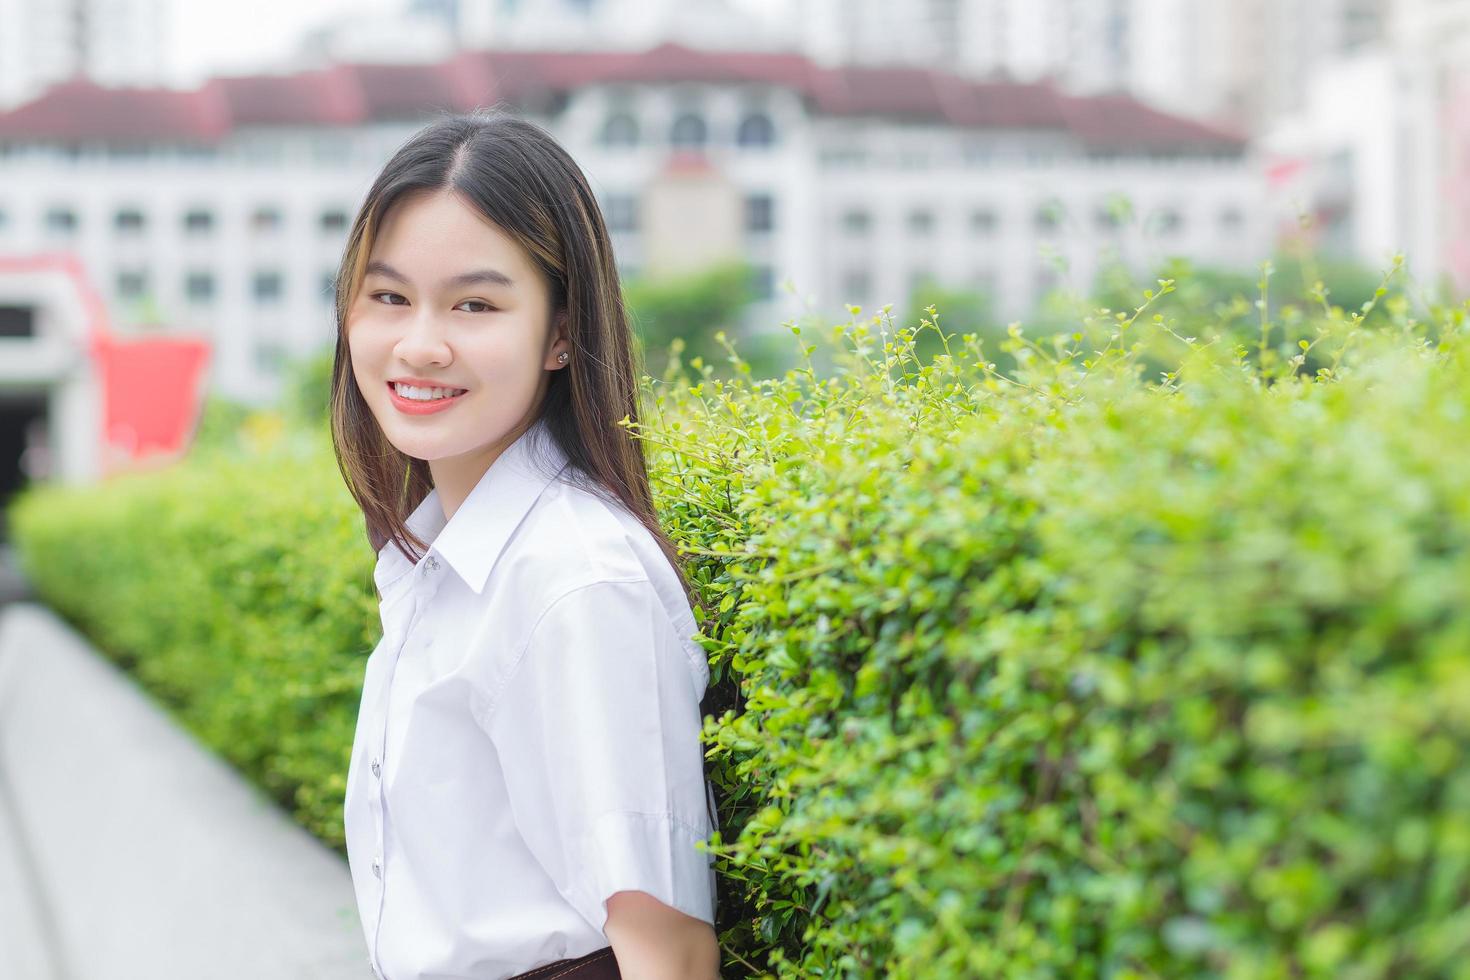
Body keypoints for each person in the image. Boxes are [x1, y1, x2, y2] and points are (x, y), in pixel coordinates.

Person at [329, 110, 721, 980]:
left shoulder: (572, 579)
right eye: (389, 297)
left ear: (557, 333)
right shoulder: (448, 561)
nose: (419, 344)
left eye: (474, 304)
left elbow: (673, 954)